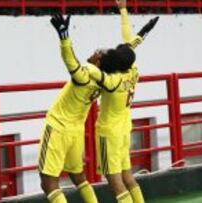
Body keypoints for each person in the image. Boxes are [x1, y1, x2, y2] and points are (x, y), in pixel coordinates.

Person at [87, 1, 160, 202]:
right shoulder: (132, 72)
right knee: (127, 177)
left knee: (115, 181)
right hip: (124, 130)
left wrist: (91, 60)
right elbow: (132, 40)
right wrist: (123, 11)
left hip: (108, 132)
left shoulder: (111, 81)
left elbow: (88, 70)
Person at [37, 13, 103, 203]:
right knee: (78, 176)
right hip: (75, 132)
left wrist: (64, 36)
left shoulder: (84, 77)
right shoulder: (104, 82)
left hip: (58, 128)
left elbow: (70, 61)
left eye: (96, 55)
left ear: (99, 64)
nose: (92, 55)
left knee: (48, 183)